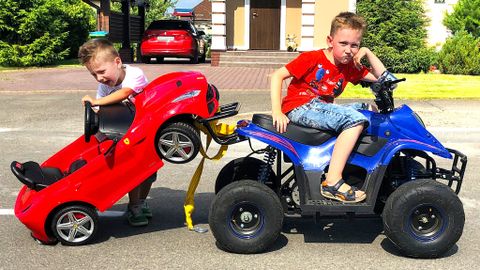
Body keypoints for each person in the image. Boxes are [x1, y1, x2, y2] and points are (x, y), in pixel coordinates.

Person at [271, 12, 393, 203]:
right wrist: (277, 111)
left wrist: (367, 52)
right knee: (355, 119)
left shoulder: (349, 67)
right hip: (301, 106)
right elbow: (277, 76)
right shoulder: (312, 58)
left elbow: (386, 80)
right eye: (343, 43)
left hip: (320, 107)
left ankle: (354, 162)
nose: (348, 50)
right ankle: (332, 181)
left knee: (368, 108)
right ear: (330, 40)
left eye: (355, 45)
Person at [78, 38, 156, 225]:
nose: (99, 78)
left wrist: (95, 102)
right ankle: (135, 206)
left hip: (146, 129)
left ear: (118, 62)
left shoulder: (134, 74)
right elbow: (101, 112)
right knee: (133, 170)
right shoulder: (104, 86)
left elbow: (124, 93)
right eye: (94, 75)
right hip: (125, 134)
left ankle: (141, 202)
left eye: (102, 72)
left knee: (148, 172)